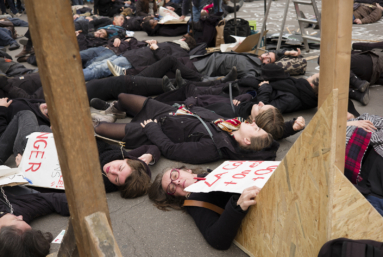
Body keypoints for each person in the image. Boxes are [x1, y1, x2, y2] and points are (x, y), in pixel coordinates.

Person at [91, 93, 278, 164]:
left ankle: (106, 118)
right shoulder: (231, 125)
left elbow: (172, 150)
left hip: (157, 129)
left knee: (99, 129)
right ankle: (115, 110)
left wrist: (152, 129)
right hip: (173, 114)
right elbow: (203, 112)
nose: (254, 123)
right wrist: (186, 106)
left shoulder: (214, 148)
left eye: (256, 129)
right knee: (123, 97)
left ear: (247, 141)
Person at [148, 166, 260, 250]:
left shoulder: (207, 175)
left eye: (175, 175)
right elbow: (216, 239)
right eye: (172, 188)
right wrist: (237, 207)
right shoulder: (194, 200)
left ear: (187, 170)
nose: (177, 182)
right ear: (176, 196)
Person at [0, 187, 69, 257]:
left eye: (16, 219)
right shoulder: (18, 211)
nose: (20, 216)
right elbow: (52, 200)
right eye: (19, 220)